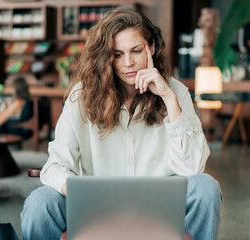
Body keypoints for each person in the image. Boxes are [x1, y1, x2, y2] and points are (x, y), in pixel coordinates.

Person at [21, 7, 222, 240]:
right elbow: (54, 165)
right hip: (95, 209)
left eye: (136, 51)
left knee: (206, 187)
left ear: (152, 47)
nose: (128, 63)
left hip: (159, 208)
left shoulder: (175, 92)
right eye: (117, 54)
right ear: (106, 57)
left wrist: (168, 98)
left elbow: (193, 167)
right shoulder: (82, 96)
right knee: (40, 202)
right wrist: (78, 194)